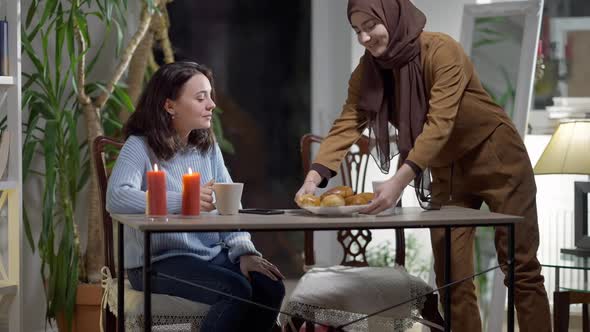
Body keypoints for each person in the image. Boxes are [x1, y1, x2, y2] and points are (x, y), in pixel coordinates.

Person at [294, 1, 550, 331]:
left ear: (394, 16)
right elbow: (347, 123)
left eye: (371, 25)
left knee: (521, 269)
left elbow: (439, 123)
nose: (364, 38)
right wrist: (313, 179)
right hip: (447, 170)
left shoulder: (442, 50)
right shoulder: (368, 72)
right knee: (452, 279)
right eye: (357, 30)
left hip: (497, 157)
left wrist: (400, 181)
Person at [107, 61, 285, 332]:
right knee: (233, 289)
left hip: (209, 254)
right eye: (201, 97)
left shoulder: (207, 147)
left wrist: (244, 252)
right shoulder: (139, 146)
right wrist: (183, 200)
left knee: (269, 286)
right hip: (156, 263)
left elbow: (230, 206)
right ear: (170, 106)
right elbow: (117, 197)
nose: (212, 104)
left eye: (210, 96)